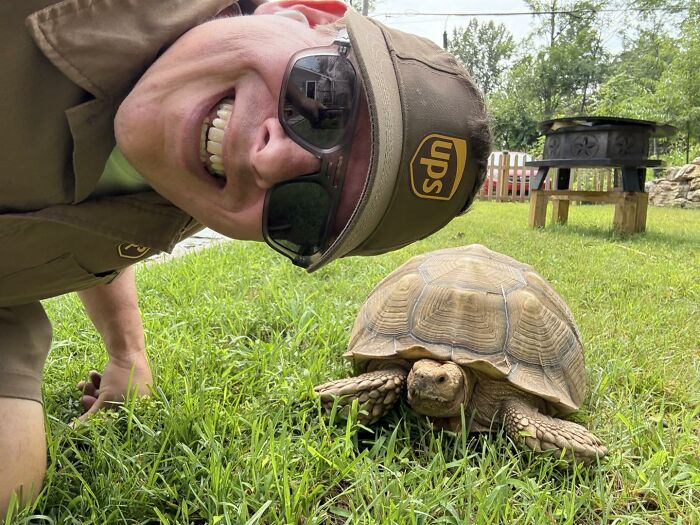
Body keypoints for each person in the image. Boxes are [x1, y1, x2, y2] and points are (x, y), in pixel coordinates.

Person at [0, 0, 491, 514]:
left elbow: (100, 226)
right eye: (324, 101)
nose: (269, 159)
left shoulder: (195, 173)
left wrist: (128, 353)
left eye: (303, 212)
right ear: (303, 10)